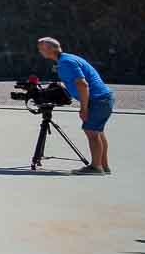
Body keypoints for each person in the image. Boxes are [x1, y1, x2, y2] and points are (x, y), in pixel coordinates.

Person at [37, 37, 114, 175]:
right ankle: (103, 166)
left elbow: (82, 84)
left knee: (92, 132)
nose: (40, 51)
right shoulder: (68, 59)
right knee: (97, 132)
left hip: (97, 100)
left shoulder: (66, 63)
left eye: (41, 48)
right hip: (103, 99)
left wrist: (83, 108)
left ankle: (96, 167)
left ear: (51, 49)